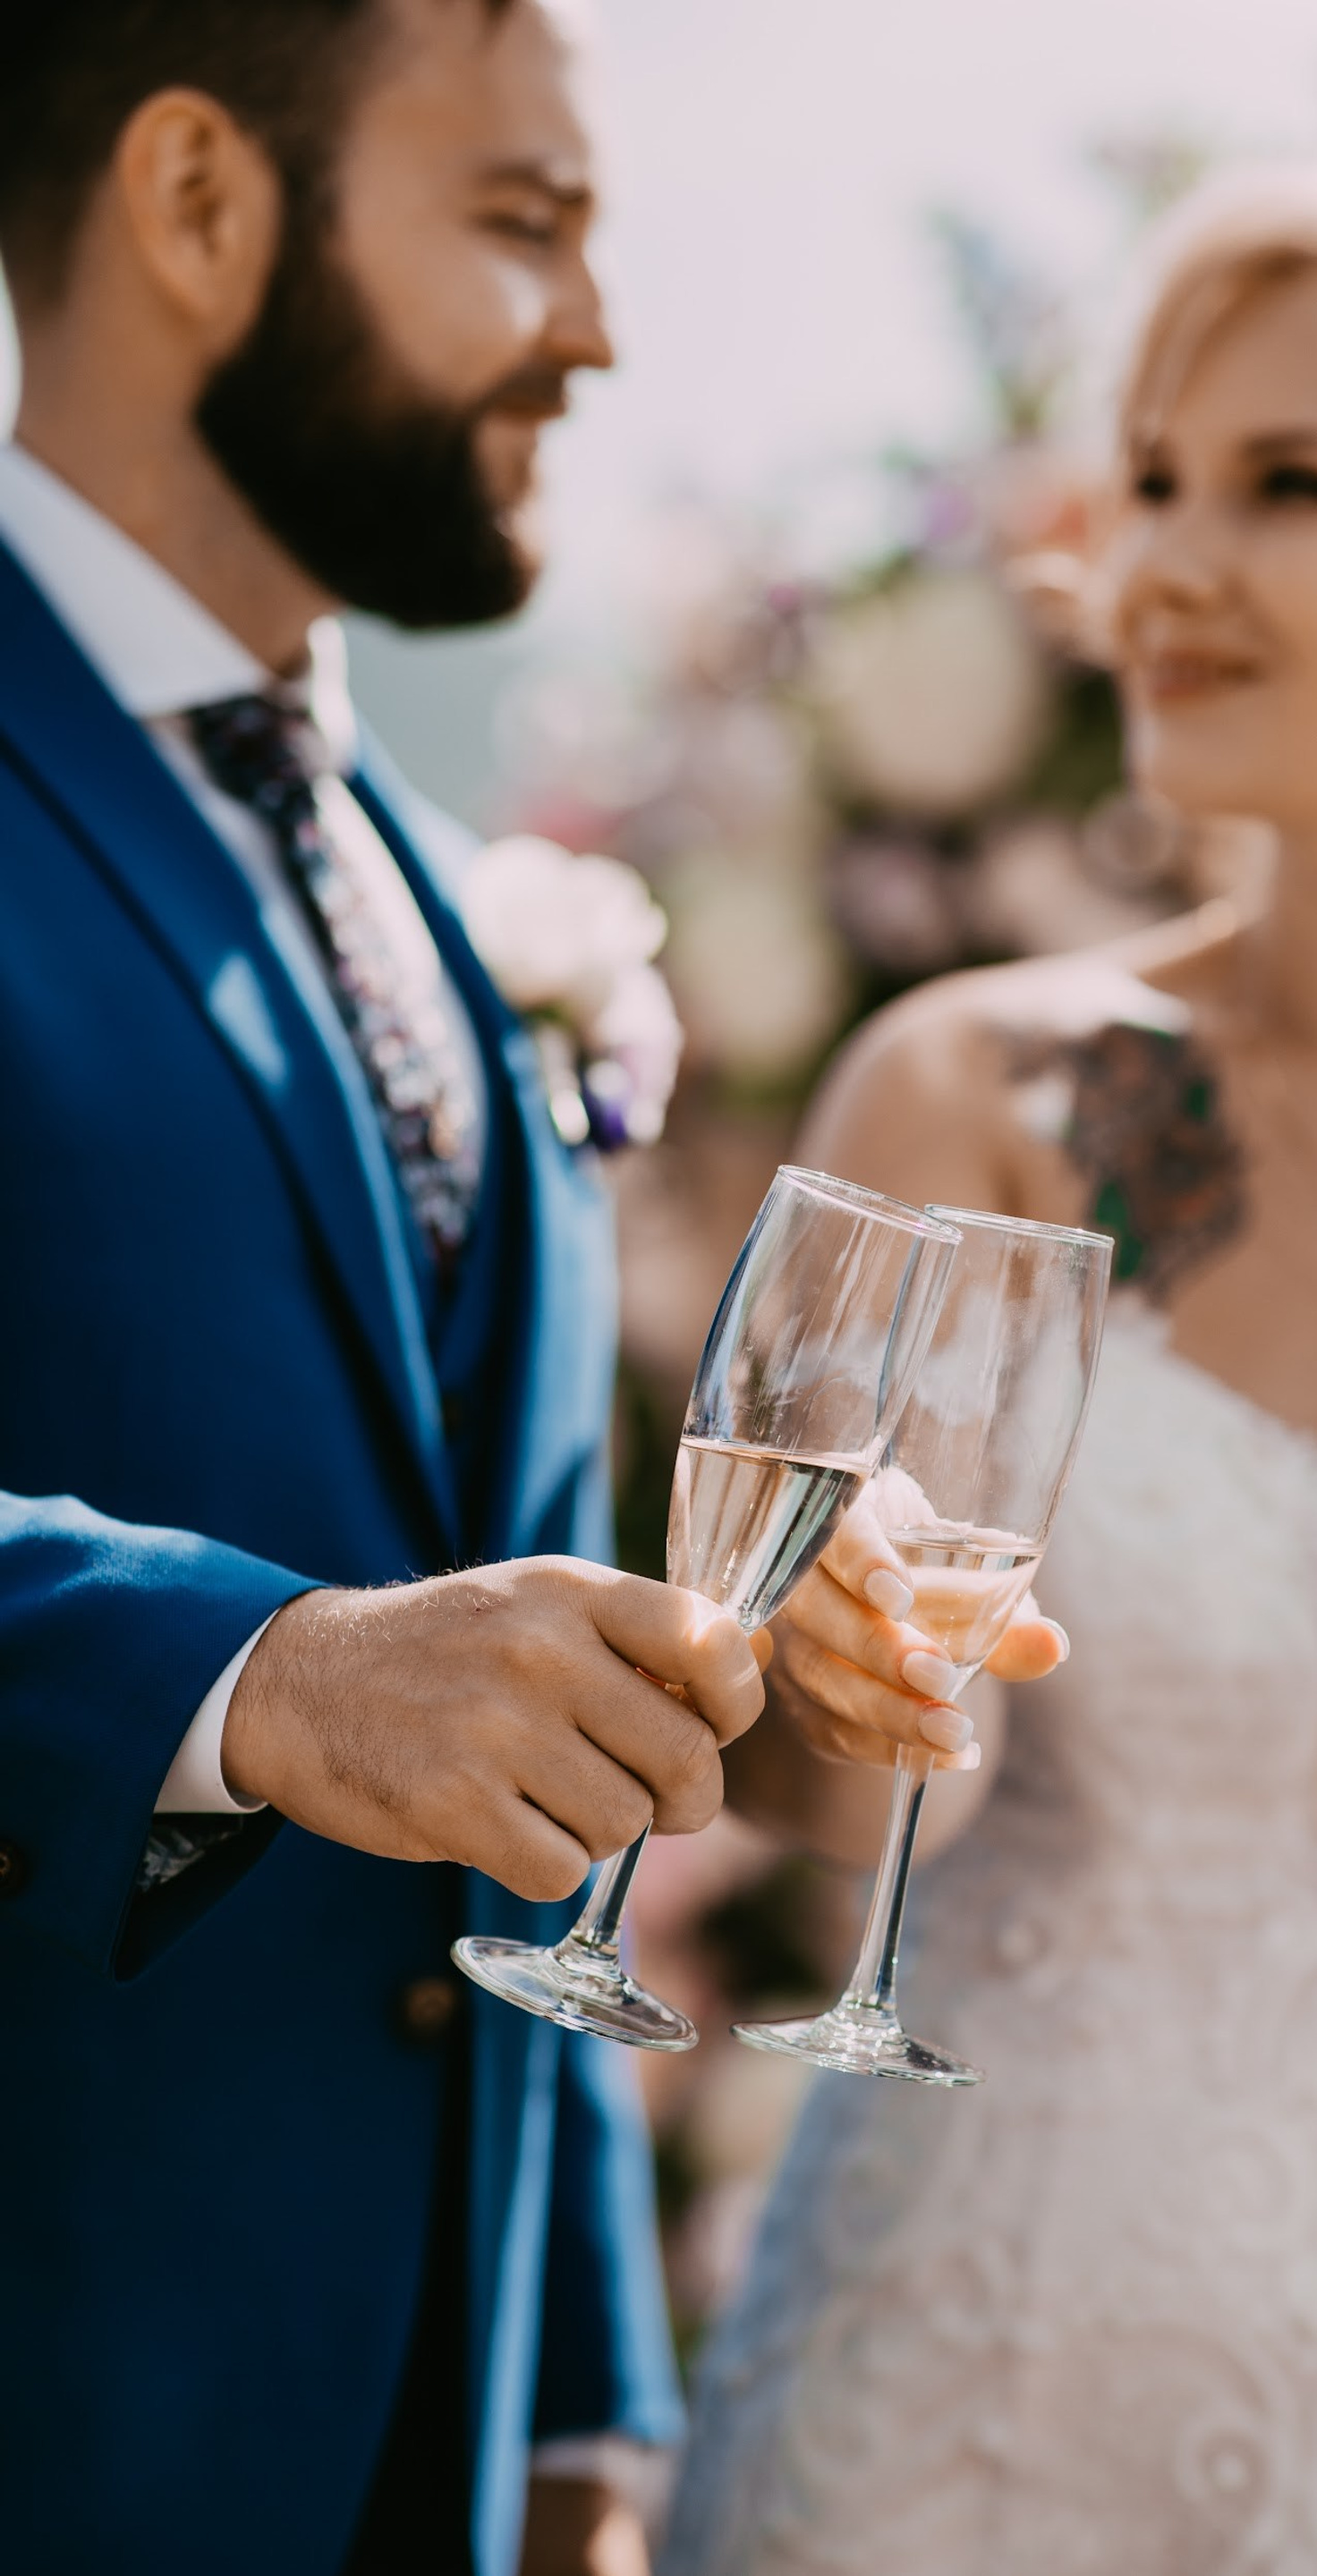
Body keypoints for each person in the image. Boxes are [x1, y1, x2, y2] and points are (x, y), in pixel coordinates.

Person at [662, 167, 1317, 2576]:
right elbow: (829, 1805)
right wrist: (831, 1671)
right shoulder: (983, 1100)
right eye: (1150, 480)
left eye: (1292, 487)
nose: (1163, 561)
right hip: (943, 2433)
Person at [0, 6, 785, 2572]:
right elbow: (362, 1681)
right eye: (520, 225)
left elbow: (519, 1807)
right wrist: (259, 1682)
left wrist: (577, 2418)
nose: (600, 332)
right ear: (203, 205)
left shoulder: (464, 913)